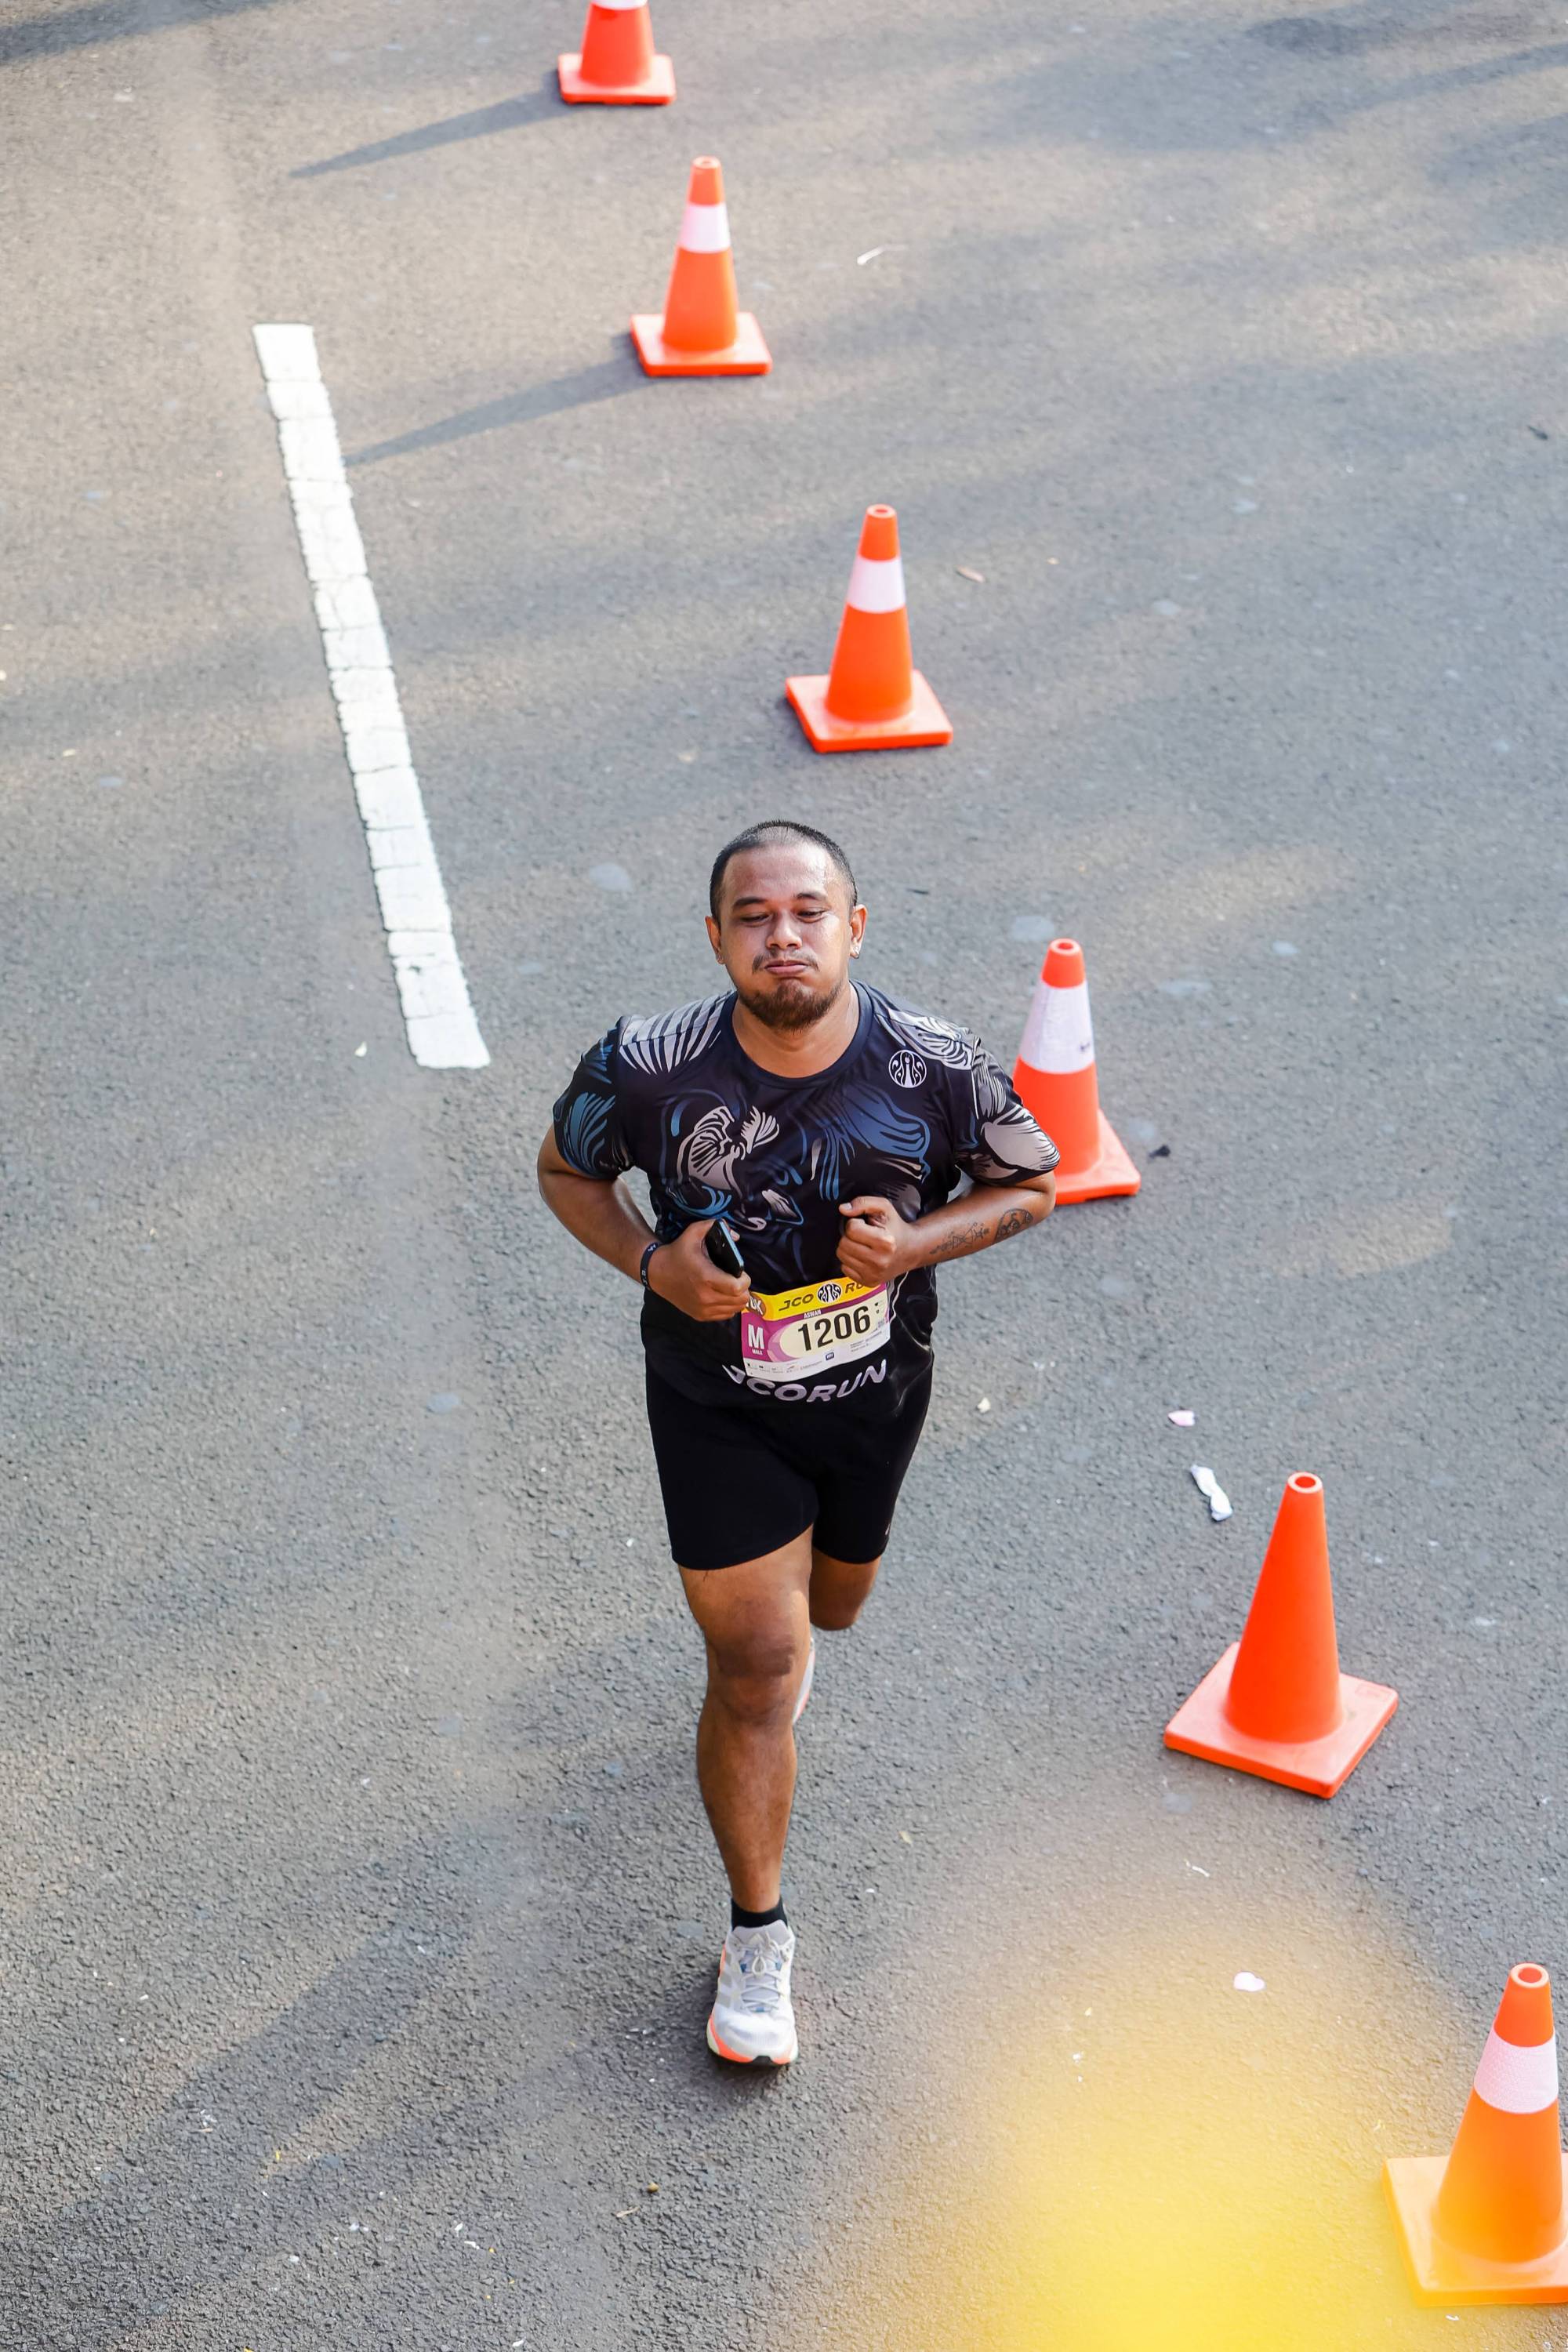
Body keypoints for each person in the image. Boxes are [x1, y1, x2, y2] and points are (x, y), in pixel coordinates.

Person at [537, 821, 1059, 2067]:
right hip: (715, 1403)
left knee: (834, 1611)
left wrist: (915, 1245)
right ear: (716, 937)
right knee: (760, 1665)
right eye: (755, 915)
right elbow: (564, 1172)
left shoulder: (936, 1065)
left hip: (876, 1396)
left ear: (854, 927)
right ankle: (757, 1934)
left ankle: (781, 1652)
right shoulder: (647, 1067)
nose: (784, 935)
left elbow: (1034, 1182)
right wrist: (652, 1263)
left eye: (808, 912)